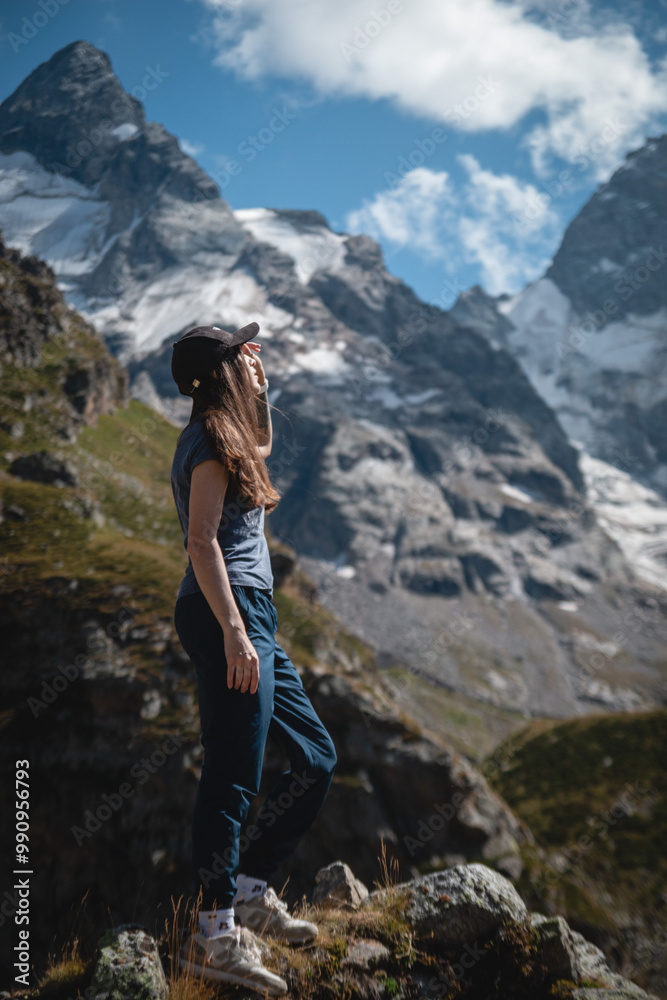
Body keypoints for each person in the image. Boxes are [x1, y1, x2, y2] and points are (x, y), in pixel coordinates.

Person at [170, 322, 337, 995]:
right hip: (228, 610)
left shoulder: (227, 433)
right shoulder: (210, 440)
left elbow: (260, 444)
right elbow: (201, 540)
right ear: (218, 375)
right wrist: (235, 633)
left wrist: (261, 389)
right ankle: (212, 935)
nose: (250, 360)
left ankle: (247, 891)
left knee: (316, 756)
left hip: (249, 613)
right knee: (234, 772)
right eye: (239, 357)